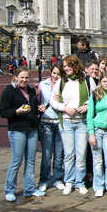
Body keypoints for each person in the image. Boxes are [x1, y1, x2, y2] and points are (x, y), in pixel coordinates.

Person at [50, 55, 97, 195]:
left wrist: (87, 106)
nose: (65, 69)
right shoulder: (61, 82)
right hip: (67, 121)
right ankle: (69, 181)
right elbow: (53, 101)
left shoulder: (87, 81)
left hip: (82, 121)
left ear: (75, 65)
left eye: (68, 66)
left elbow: (95, 97)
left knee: (81, 155)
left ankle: (79, 182)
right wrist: (64, 107)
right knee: (69, 154)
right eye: (64, 66)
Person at [0, 67, 46, 201]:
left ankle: (29, 188)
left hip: (31, 128)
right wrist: (17, 111)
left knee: (31, 160)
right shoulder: (9, 91)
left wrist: (40, 109)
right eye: (22, 77)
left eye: (26, 77)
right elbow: (3, 112)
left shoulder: (31, 90)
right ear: (16, 77)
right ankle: (9, 189)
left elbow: (33, 107)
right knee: (17, 160)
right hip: (17, 129)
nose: (24, 80)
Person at [86, 72, 107, 197]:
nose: (106, 84)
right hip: (97, 129)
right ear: (100, 82)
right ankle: (98, 186)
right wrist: (91, 133)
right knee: (97, 161)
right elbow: (90, 115)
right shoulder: (95, 95)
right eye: (104, 81)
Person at [37, 64, 65, 192]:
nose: (55, 76)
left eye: (58, 74)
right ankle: (44, 180)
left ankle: (58, 179)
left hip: (60, 121)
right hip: (46, 121)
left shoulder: (64, 85)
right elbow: (37, 101)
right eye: (54, 73)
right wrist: (40, 107)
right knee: (47, 154)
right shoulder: (43, 85)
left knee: (59, 154)